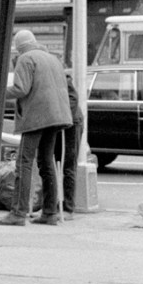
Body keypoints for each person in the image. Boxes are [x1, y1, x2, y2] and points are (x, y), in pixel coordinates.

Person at [0, 30, 72, 226]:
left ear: (19, 48)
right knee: (47, 163)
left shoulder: (25, 58)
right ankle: (50, 212)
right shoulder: (52, 59)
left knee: (24, 162)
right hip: (57, 116)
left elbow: (21, 89)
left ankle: (18, 213)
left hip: (36, 117)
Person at [61, 71, 84, 213]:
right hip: (57, 122)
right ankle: (54, 205)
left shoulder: (62, 77)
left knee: (68, 164)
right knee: (54, 163)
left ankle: (68, 207)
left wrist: (61, 118)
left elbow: (73, 100)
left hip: (71, 122)